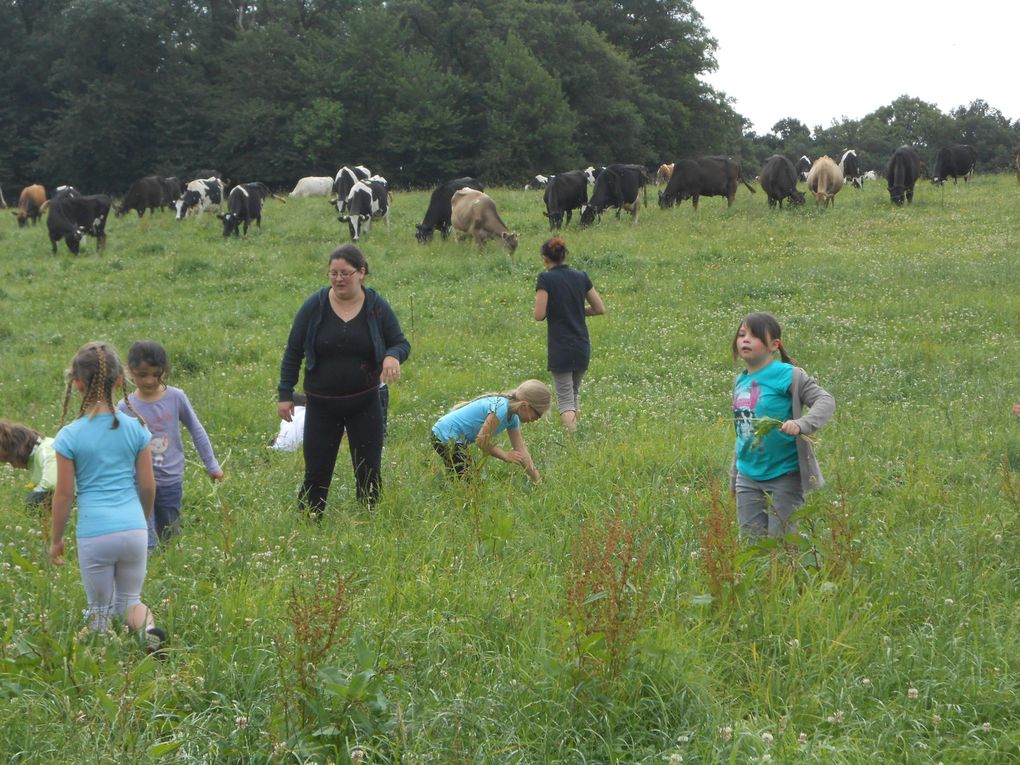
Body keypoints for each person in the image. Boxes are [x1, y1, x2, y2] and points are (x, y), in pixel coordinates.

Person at [50, 341, 166, 656]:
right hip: (133, 529)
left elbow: (63, 495)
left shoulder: (69, 436)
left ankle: (104, 667)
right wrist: (141, 522)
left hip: (95, 532)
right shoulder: (136, 429)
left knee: (99, 610)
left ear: (76, 383)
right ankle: (151, 632)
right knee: (130, 601)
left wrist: (56, 539)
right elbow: (147, 485)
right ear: (120, 380)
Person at [278, 244, 410, 515]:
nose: (338, 278)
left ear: (361, 273)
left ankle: (370, 521)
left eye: (345, 273)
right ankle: (310, 521)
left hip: (365, 403)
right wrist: (285, 393)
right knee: (316, 470)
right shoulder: (314, 306)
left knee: (369, 470)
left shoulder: (376, 306)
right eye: (333, 273)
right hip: (321, 404)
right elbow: (293, 350)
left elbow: (399, 342)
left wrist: (392, 356)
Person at [729, 312, 835, 538]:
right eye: (741, 334)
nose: (745, 340)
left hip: (784, 474)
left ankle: (801, 561)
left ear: (774, 345)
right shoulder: (741, 381)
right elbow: (742, 432)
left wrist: (802, 423)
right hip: (747, 475)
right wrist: (734, 474)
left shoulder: (789, 375)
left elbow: (825, 401)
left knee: (783, 542)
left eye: (754, 336)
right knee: (751, 543)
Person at [118, 340, 224, 548]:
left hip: (170, 481)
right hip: (138, 482)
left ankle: (169, 569)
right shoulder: (125, 407)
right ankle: (147, 570)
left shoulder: (176, 397)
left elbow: (196, 429)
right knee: (144, 537)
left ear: (165, 371)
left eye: (156, 374)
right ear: (130, 372)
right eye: (142, 375)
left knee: (169, 534)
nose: (150, 381)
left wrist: (212, 465)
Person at [533, 237, 605, 431]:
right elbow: (599, 308)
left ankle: (572, 439)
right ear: (564, 256)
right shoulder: (581, 276)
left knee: (565, 398)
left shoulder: (545, 279)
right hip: (582, 345)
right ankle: (576, 431)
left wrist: (557, 310)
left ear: (545, 258)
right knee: (573, 392)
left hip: (560, 346)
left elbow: (539, 315)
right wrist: (578, 310)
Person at [431, 379, 551, 482]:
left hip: (449, 437)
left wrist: (537, 480)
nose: (537, 419)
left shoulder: (512, 418)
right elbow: (481, 441)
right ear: (525, 406)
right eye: (538, 415)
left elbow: (521, 450)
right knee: (469, 483)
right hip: (445, 435)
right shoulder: (501, 409)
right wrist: (505, 455)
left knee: (462, 478)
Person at [0, 419, 57, 506]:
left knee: (34, 501)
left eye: (10, 461)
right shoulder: (35, 459)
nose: (14, 467)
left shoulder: (46, 450)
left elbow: (52, 483)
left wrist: (32, 499)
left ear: (17, 452)